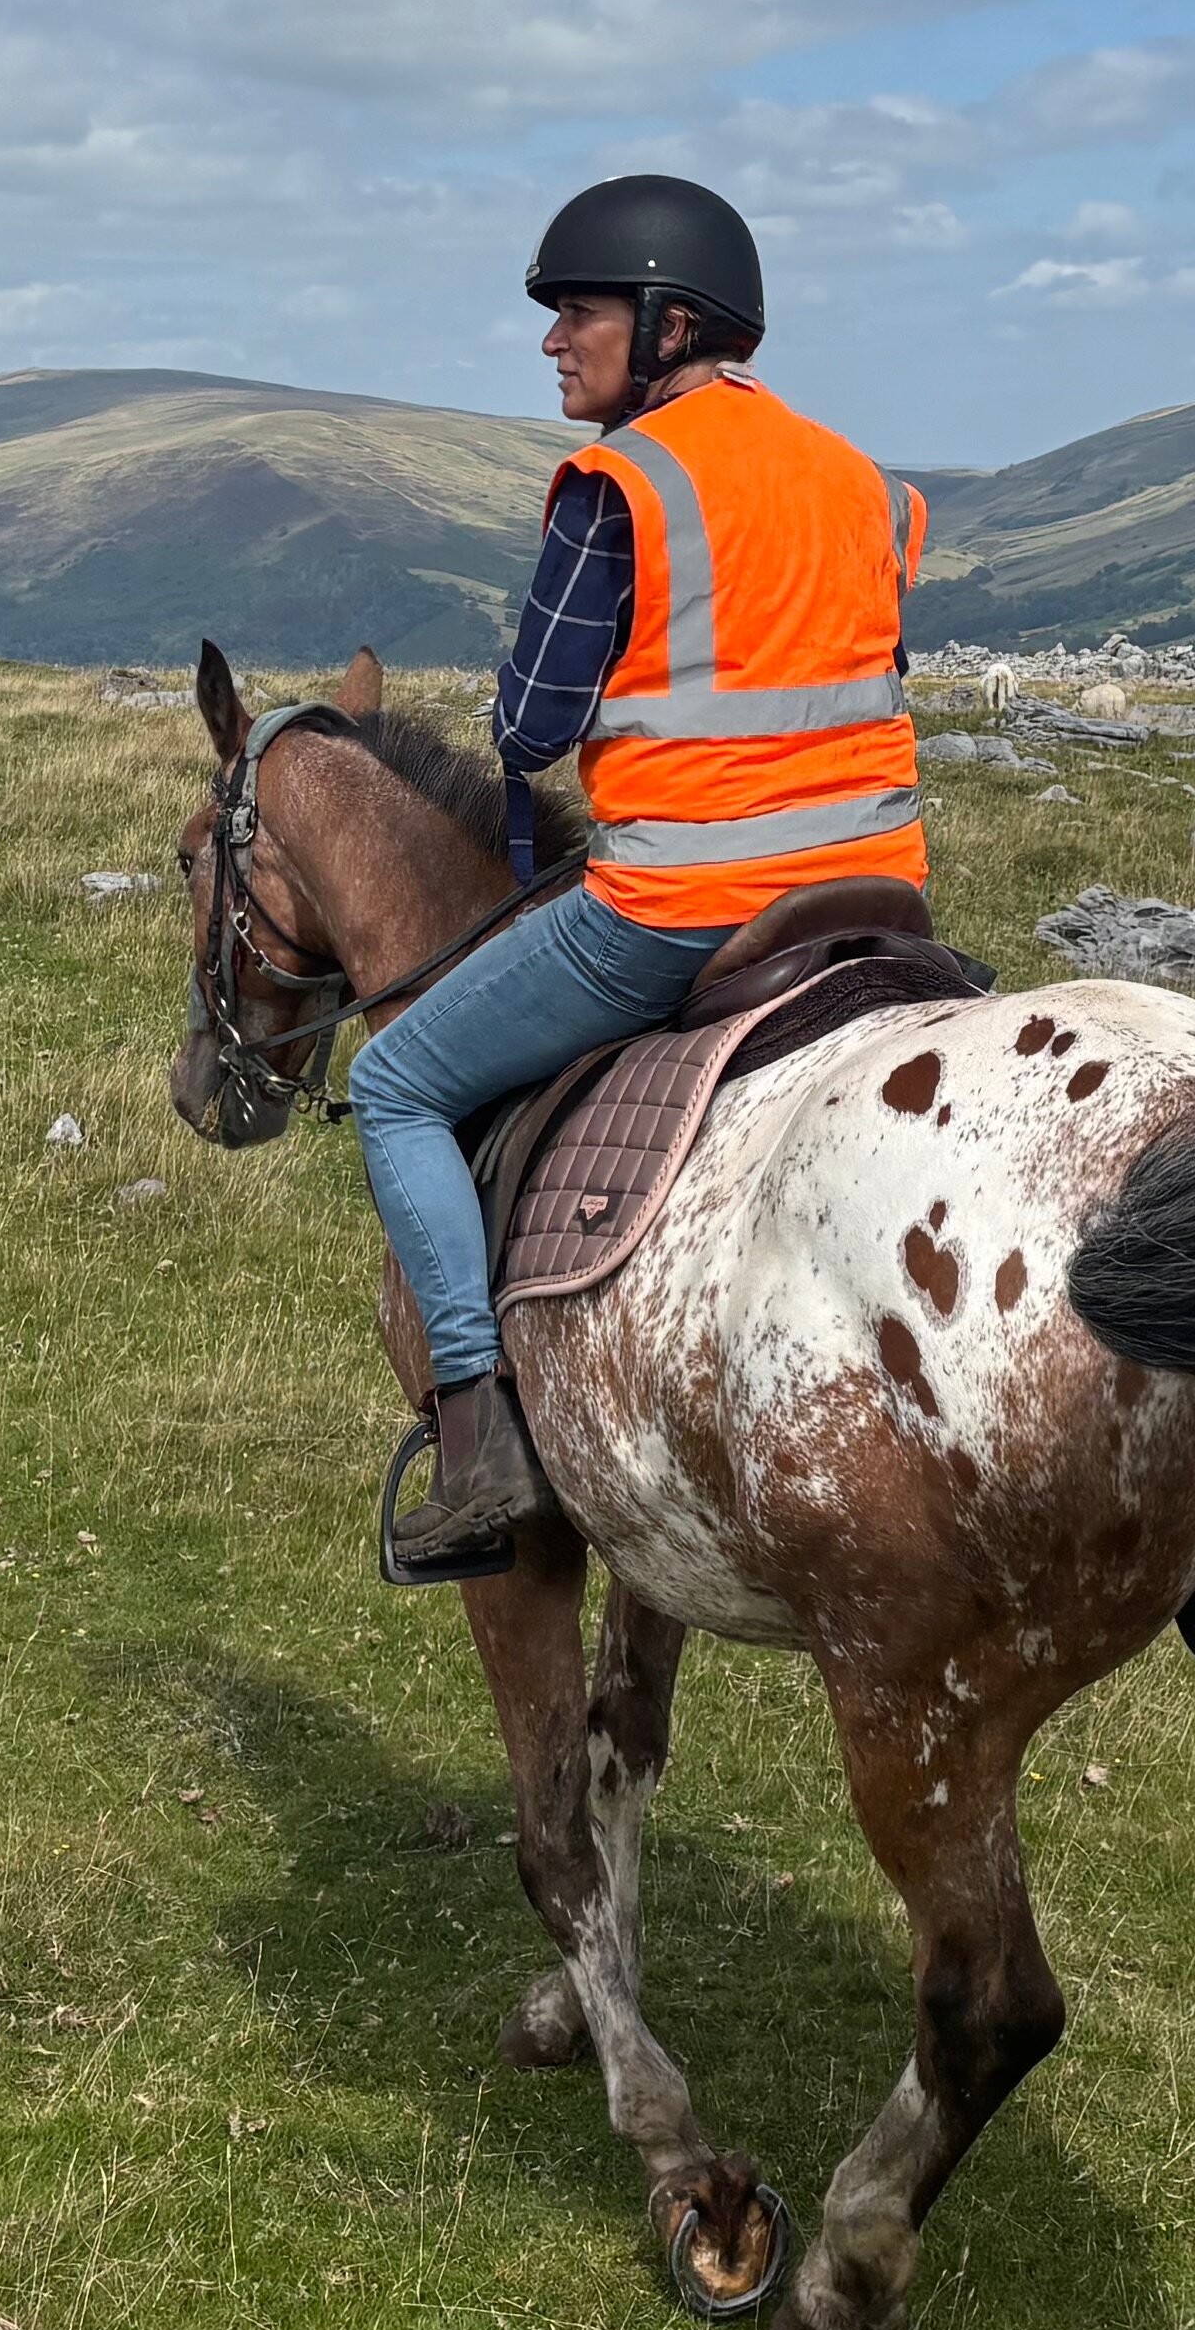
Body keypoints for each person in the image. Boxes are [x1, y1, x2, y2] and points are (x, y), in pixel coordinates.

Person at [351, 174, 933, 1579]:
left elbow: (535, 722)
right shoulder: (860, 480)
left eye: (580, 312)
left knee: (394, 1086)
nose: (554, 340)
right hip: (874, 899)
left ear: (669, 325)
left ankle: (480, 1434)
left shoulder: (622, 486)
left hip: (682, 909)